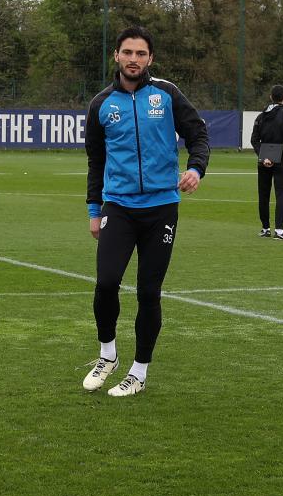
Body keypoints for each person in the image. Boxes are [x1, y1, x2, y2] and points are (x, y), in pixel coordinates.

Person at [81, 26, 210, 397]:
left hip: (161, 208)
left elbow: (198, 134)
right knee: (107, 283)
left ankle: (138, 371)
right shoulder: (102, 104)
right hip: (118, 206)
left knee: (148, 292)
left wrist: (196, 168)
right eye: (127, 52)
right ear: (117, 56)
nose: (133, 59)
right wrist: (94, 210)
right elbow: (95, 161)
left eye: (140, 53)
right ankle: (107, 355)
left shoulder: (167, 94)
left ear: (150, 58)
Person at [250, 84, 283, 239]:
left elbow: (254, 140)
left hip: (262, 162)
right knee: (281, 194)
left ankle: (265, 228)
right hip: (281, 162)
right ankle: (279, 230)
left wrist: (264, 156)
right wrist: (276, 157)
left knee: (263, 195)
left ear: (271, 97)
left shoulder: (261, 117)